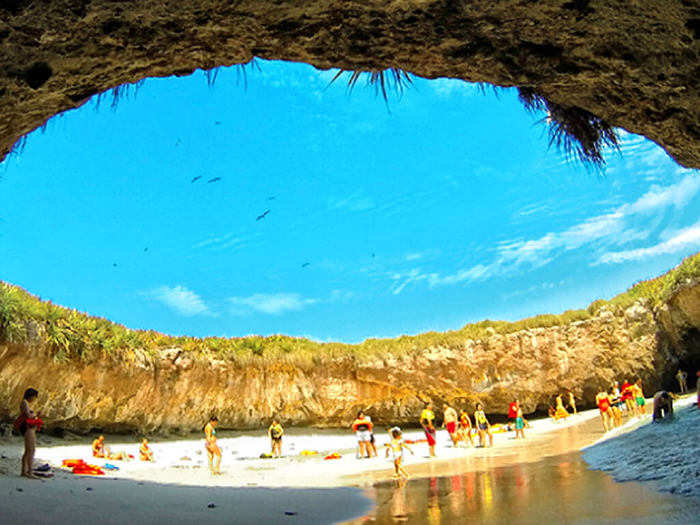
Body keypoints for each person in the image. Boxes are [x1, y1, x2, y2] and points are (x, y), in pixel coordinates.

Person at [16, 388, 42, 479]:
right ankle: (30, 471)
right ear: (31, 396)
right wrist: (35, 415)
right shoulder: (24, 403)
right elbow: (28, 415)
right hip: (28, 428)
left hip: (28, 428)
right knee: (31, 450)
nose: (34, 399)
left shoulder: (24, 403)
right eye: (34, 397)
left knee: (28, 450)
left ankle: (24, 471)